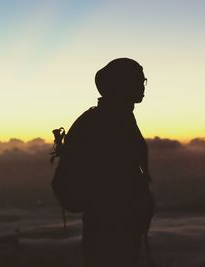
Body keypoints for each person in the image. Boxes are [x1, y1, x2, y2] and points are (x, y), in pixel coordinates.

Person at [64, 58, 154, 267]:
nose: (143, 86)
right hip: (110, 232)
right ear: (121, 85)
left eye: (143, 80)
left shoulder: (119, 119)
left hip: (118, 229)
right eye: (138, 80)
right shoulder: (107, 123)